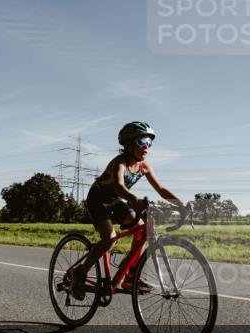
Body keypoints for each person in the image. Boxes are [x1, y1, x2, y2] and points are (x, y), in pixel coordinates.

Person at [70, 122, 185, 300]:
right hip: (98, 200)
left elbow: (161, 189)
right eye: (141, 141)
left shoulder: (144, 166)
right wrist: (134, 199)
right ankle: (80, 272)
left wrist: (181, 205)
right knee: (110, 238)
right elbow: (119, 185)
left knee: (142, 232)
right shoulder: (120, 162)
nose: (146, 146)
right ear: (128, 144)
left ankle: (131, 276)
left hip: (115, 201)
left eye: (149, 141)